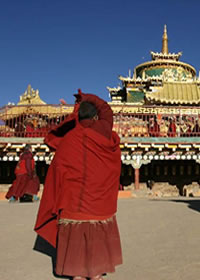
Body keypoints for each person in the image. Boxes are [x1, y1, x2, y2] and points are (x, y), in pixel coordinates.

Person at [34, 90, 123, 280]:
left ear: (77, 117)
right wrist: (87, 97)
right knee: (97, 257)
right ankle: (97, 272)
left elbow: (57, 172)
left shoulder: (69, 139)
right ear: (96, 116)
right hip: (99, 203)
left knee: (76, 260)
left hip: (73, 204)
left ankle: (77, 274)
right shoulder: (104, 131)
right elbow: (107, 110)